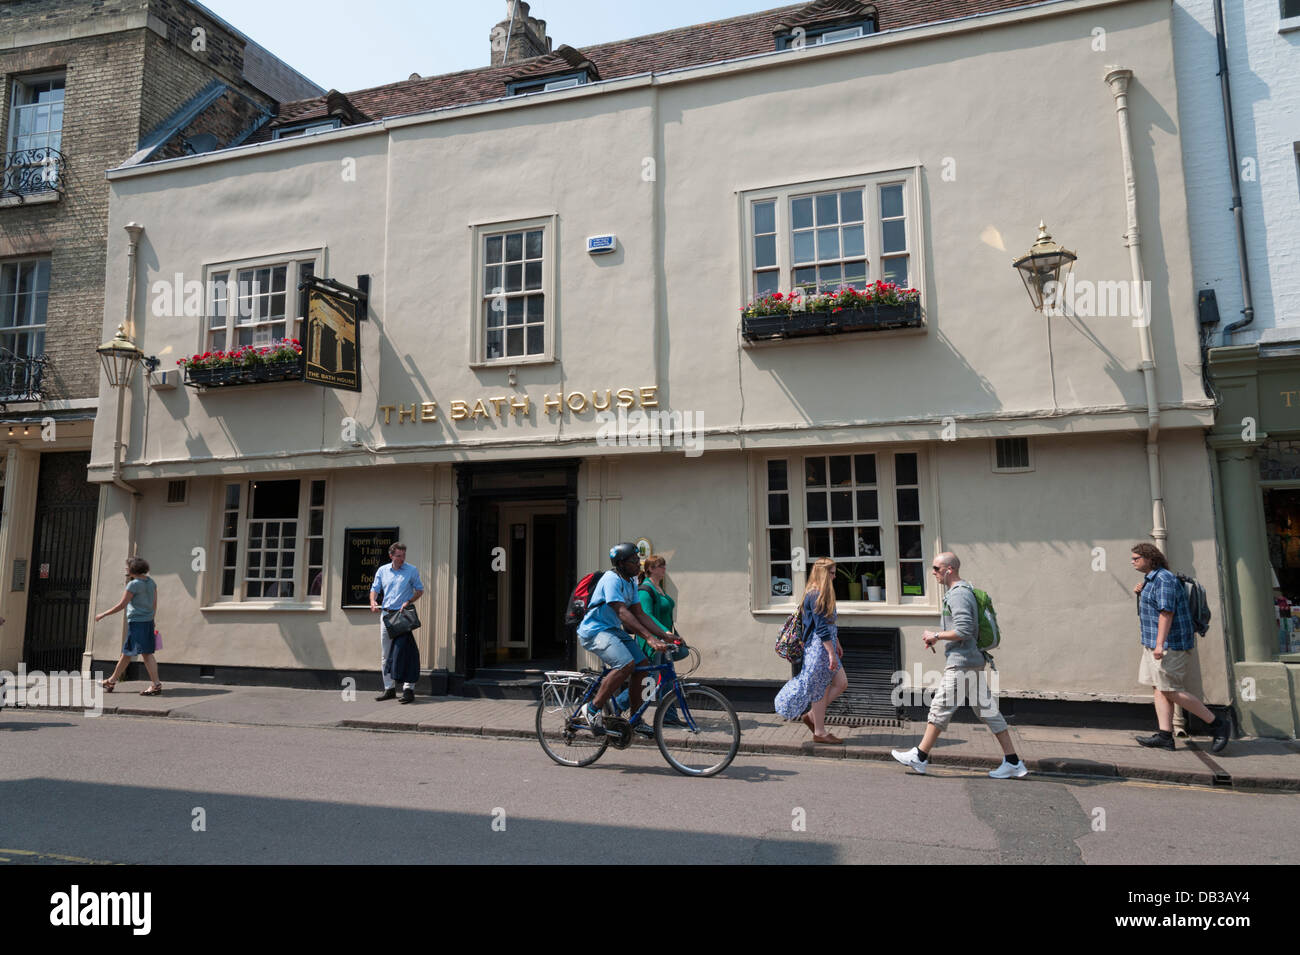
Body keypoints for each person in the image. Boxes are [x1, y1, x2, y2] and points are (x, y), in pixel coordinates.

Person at [891, 552, 1027, 777]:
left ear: (949, 570)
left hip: (962, 663)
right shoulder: (963, 591)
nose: (933, 573)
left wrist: (936, 635)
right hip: (971, 661)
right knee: (988, 711)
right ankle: (1013, 762)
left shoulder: (958, 594)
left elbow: (964, 630)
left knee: (940, 708)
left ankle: (920, 756)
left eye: (936, 568)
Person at [1131, 543, 1230, 751]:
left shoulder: (1164, 579)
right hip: (1152, 642)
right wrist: (1141, 590)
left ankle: (1218, 724)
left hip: (1169, 644)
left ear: (1150, 559)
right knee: (1159, 687)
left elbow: (1167, 612)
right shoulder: (1152, 579)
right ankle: (1165, 735)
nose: (1133, 562)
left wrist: (1159, 645)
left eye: (1136, 558)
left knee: (1171, 689)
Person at [575, 543, 673, 735]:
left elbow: (640, 614)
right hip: (595, 631)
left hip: (611, 630)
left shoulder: (631, 581)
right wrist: (649, 638)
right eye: (634, 561)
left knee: (642, 664)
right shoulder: (611, 579)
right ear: (621, 563)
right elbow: (621, 611)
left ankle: (635, 720)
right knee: (625, 664)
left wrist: (665, 635)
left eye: (639, 560)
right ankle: (592, 709)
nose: (639, 564)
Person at [775, 557, 848, 744]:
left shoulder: (822, 593)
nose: (834, 576)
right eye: (831, 573)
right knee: (819, 689)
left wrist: (836, 642)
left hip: (826, 644)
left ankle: (812, 717)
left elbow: (828, 624)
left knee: (840, 683)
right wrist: (831, 652)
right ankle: (820, 731)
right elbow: (821, 628)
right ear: (823, 573)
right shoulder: (815, 594)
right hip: (819, 648)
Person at [613, 553, 686, 734]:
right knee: (649, 681)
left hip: (663, 640)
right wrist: (664, 632)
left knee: (668, 679)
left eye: (664, 565)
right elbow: (646, 614)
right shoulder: (645, 590)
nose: (664, 568)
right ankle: (618, 704)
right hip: (651, 642)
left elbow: (665, 614)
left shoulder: (659, 589)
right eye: (661, 566)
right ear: (651, 569)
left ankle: (669, 716)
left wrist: (671, 634)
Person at [95, 556, 162, 696]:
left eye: (127, 566)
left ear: (133, 569)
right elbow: (154, 604)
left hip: (137, 623)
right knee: (130, 653)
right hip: (147, 622)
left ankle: (156, 685)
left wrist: (103, 614)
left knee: (144, 654)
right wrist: (152, 619)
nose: (126, 568)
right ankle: (112, 681)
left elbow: (122, 605)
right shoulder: (151, 582)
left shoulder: (133, 584)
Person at [369, 542, 424, 703]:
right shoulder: (382, 570)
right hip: (386, 615)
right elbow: (375, 588)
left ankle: (408, 690)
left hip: (402, 616)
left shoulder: (411, 570)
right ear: (391, 556)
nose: (401, 559)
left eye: (403, 556)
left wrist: (409, 601)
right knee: (386, 654)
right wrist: (373, 601)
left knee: (405, 652)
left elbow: (419, 590)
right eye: (398, 556)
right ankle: (389, 689)